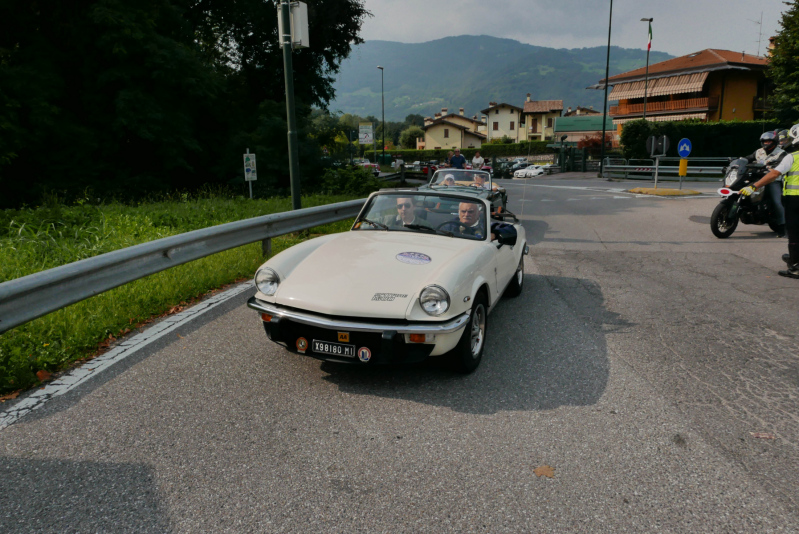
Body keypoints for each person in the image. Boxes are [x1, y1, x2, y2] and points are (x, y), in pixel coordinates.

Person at [739, 124, 799, 278]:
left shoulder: (792, 156)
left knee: (794, 233)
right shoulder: (760, 152)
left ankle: (795, 267)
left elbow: (774, 174)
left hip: (795, 199)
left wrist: (753, 186)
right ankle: (794, 258)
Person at [744, 131, 786, 237]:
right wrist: (738, 161)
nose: (766, 143)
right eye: (765, 141)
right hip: (757, 178)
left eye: (769, 141)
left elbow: (780, 166)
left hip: (773, 180)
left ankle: (782, 226)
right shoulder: (759, 151)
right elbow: (748, 158)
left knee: (777, 202)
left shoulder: (781, 153)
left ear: (774, 142)